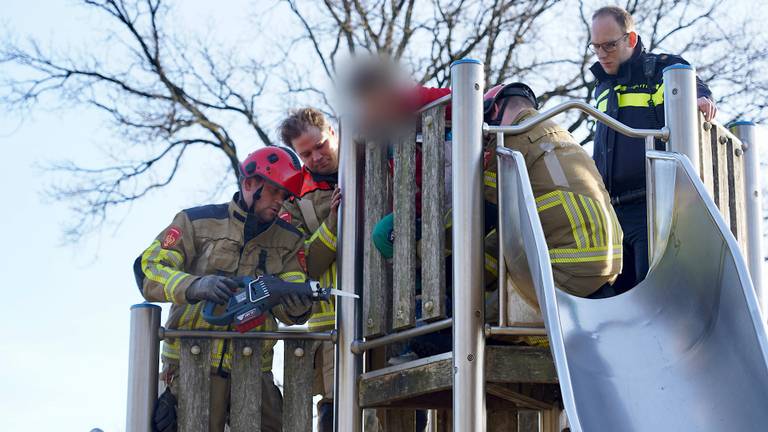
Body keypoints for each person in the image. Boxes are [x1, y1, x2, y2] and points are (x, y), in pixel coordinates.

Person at [133, 146, 314, 432]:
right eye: (275, 192)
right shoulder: (196, 222)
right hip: (190, 366)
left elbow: (295, 312)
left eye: (285, 196)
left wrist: (291, 298)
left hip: (254, 369)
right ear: (249, 184)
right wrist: (195, 286)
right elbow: (148, 269)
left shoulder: (290, 240)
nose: (280, 202)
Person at [589, 6, 716, 292]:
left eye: (609, 45)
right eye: (596, 46)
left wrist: (698, 99)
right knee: (613, 294)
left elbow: (689, 85)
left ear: (630, 39)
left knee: (652, 291)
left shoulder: (659, 68)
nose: (601, 53)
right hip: (611, 210)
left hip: (651, 205)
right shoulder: (602, 87)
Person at [483, 82, 624, 328]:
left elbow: (482, 216)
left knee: (478, 319)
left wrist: (433, 250)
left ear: (494, 110)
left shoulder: (509, 143)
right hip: (609, 264)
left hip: (568, 267)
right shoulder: (560, 136)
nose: (486, 137)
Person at [278, 107, 341, 432]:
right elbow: (304, 262)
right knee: (335, 408)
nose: (316, 157)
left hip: (387, 313)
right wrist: (333, 222)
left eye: (320, 146)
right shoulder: (293, 199)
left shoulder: (372, 163)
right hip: (331, 325)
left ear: (332, 132)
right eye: (306, 153)